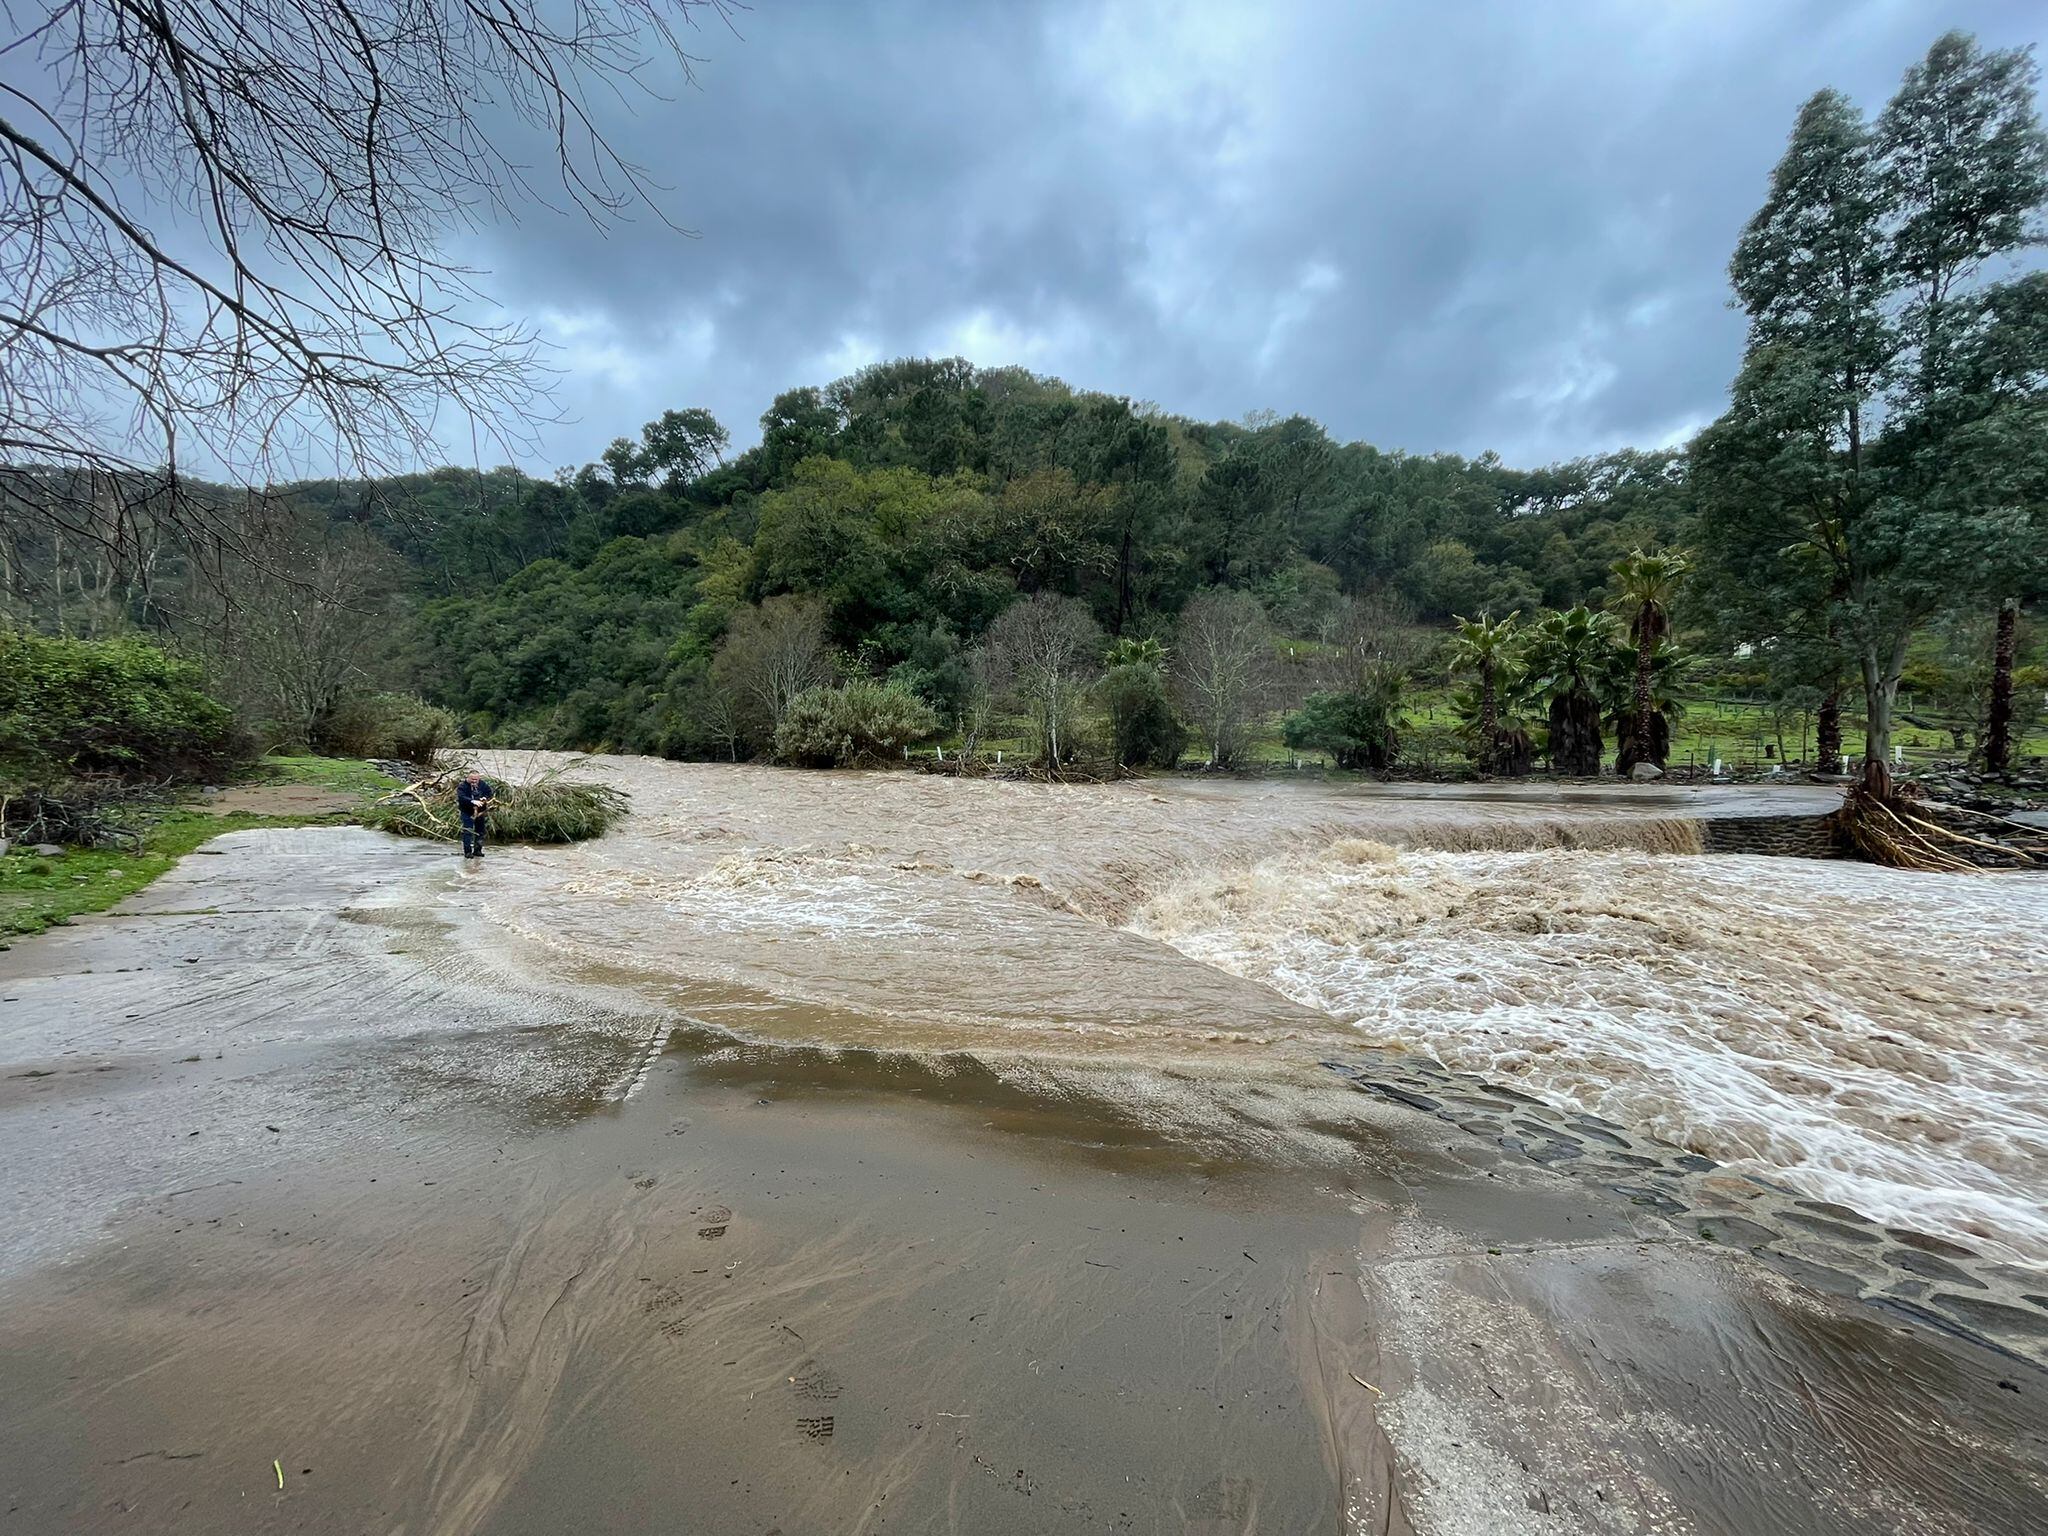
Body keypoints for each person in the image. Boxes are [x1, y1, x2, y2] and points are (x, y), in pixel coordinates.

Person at [456, 770, 495, 859]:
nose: (474, 781)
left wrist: (485, 798)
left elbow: (489, 792)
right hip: (467, 812)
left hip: (480, 812)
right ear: (468, 778)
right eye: (472, 779)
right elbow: (461, 797)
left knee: (480, 831)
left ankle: (478, 850)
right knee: (468, 831)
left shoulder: (482, 784)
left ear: (479, 779)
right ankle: (468, 852)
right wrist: (472, 801)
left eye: (476, 780)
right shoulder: (462, 786)